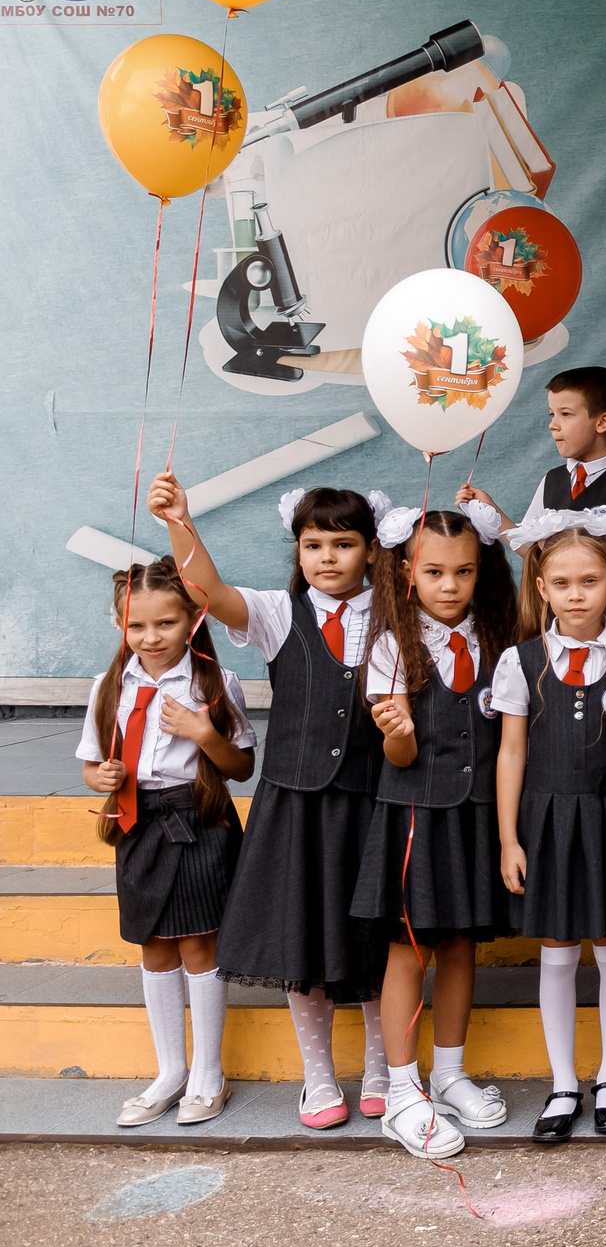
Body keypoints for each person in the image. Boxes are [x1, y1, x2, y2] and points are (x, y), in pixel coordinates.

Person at [150, 475, 393, 1130]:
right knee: (301, 937)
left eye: (344, 543)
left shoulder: (397, 614)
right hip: (297, 806)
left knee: (375, 938)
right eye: (313, 544)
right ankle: (318, 1077)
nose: (327, 557)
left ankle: (381, 1065)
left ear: (372, 549)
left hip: (373, 801)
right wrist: (182, 521)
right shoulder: (280, 613)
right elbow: (205, 590)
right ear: (298, 549)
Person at [355, 499, 520, 1161]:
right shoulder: (394, 644)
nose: (450, 585)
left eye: (464, 571)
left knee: (460, 945)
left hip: (476, 813)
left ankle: (448, 1072)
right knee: (409, 946)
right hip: (416, 814)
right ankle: (402, 1087)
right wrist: (397, 734)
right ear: (406, 574)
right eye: (435, 572)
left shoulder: (496, 636)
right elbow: (397, 756)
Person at [77, 558, 254, 1128]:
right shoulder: (110, 687)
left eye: (165, 625)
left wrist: (205, 733)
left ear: (193, 621)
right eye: (136, 627)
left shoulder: (214, 684)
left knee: (200, 945)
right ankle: (170, 1072)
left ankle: (208, 1075)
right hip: (138, 825)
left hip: (198, 819)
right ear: (120, 626)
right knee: (153, 945)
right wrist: (98, 779)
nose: (150, 639)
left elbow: (242, 765)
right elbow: (91, 763)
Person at [494, 507, 606, 1143]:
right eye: (562, 583)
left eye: (589, 581)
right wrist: (509, 838)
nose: (575, 594)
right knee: (556, 954)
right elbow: (511, 751)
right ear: (541, 587)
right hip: (548, 821)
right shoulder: (521, 660)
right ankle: (563, 1082)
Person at [458, 366, 606, 538]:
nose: (553, 425)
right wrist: (491, 510)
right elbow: (531, 549)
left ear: (602, 422)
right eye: (552, 414)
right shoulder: (551, 480)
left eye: (566, 414)